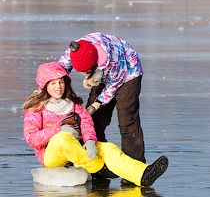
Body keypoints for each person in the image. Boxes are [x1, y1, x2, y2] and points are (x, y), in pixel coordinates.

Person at [23, 62, 168, 187]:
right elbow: (31, 138)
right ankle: (98, 168)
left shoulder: (72, 104)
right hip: (52, 155)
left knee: (108, 148)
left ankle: (143, 174)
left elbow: (86, 122)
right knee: (62, 139)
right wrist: (57, 129)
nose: (58, 87)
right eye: (53, 83)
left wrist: (90, 141)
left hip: (77, 147)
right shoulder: (36, 108)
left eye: (61, 82)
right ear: (45, 85)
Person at [58, 33, 146, 162]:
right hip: (103, 73)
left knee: (127, 118)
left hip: (128, 71)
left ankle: (134, 164)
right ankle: (96, 160)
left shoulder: (113, 59)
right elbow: (58, 71)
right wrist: (46, 90)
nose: (83, 74)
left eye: (86, 72)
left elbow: (113, 87)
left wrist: (96, 105)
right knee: (92, 119)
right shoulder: (74, 51)